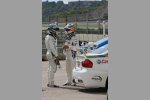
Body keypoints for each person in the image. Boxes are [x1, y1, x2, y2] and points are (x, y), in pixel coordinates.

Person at [45, 23, 60, 88]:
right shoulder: (50, 37)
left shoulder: (49, 37)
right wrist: (56, 55)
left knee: (50, 68)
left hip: (49, 53)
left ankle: (50, 82)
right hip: (51, 53)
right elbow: (52, 47)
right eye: (55, 29)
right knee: (53, 68)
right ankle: (51, 83)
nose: (56, 31)